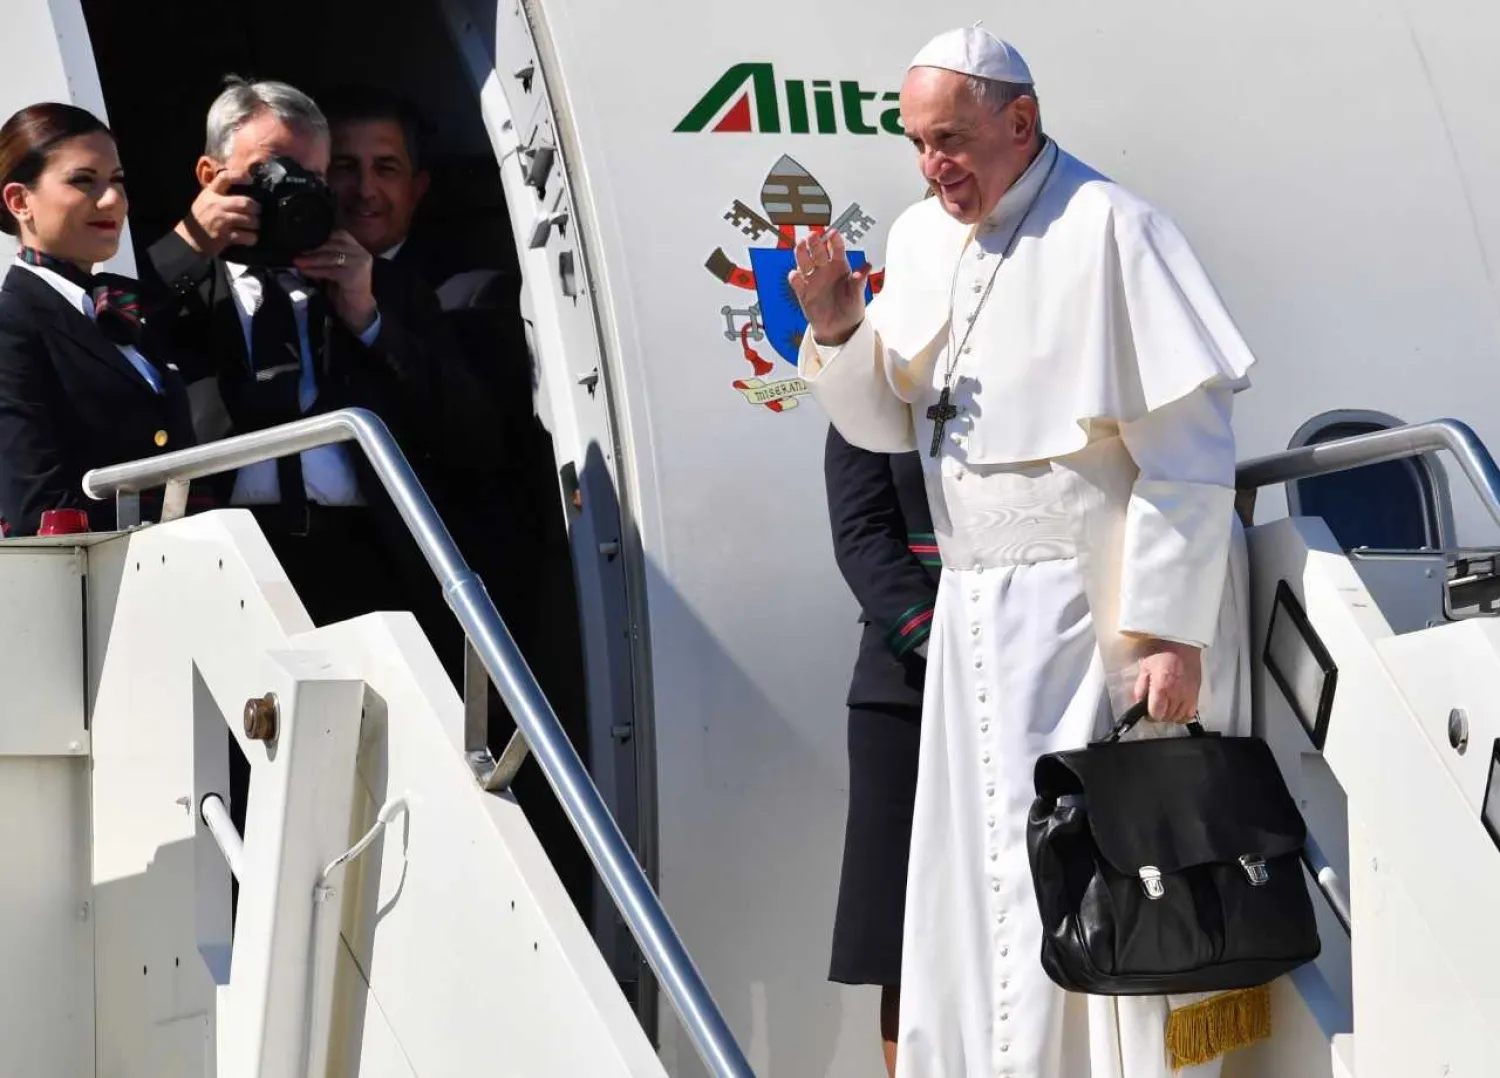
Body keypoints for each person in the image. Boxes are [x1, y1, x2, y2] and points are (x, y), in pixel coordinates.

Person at [792, 27, 1256, 1078]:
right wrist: (834, 332)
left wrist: (1169, 634)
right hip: (973, 613)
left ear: (1021, 121)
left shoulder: (1110, 227)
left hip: (1090, 616)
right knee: (981, 878)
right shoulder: (917, 241)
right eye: (917, 144)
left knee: (1085, 869)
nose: (932, 165)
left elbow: (1187, 460)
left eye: (950, 139)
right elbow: (882, 421)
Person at [138, 76, 481, 634]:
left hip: (360, 559)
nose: (291, 192)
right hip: (219, 552)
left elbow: (472, 437)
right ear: (210, 177)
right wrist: (189, 246)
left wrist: (369, 319)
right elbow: (106, 346)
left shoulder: (384, 287)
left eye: (312, 178)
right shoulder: (173, 282)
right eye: (270, 172)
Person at [0, 103, 198, 535]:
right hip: (101, 583)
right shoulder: (11, 324)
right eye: (83, 181)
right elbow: (34, 508)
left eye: (118, 182)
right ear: (19, 201)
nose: (111, 200)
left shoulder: (121, 306)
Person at [824, 425, 939, 1078]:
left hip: (1023, 681)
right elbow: (861, 535)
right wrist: (940, 637)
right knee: (904, 941)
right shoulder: (865, 393)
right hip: (906, 691)